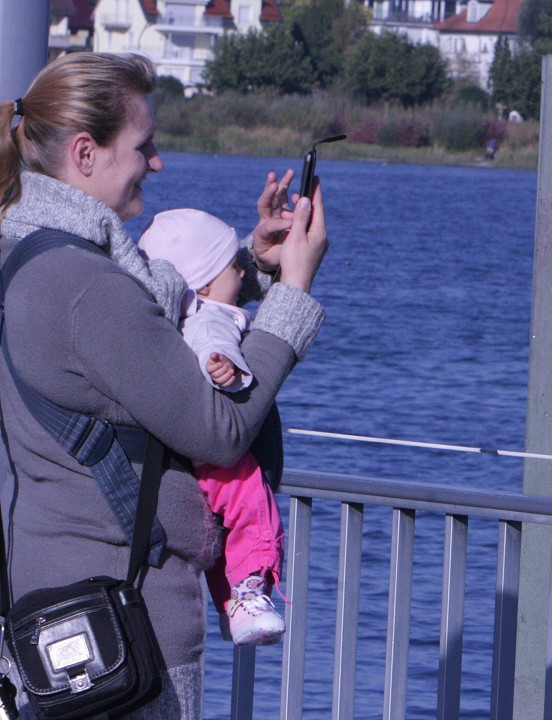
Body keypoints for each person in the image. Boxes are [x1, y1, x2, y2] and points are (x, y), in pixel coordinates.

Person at [0, 52, 327, 718]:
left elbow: (153, 327)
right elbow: (221, 428)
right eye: (143, 147)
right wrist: (293, 295)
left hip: (62, 608)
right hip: (124, 625)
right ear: (86, 153)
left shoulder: (31, 254)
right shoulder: (87, 286)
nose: (158, 163)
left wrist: (248, 272)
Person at [138, 208, 288, 647]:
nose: (243, 271)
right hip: (216, 451)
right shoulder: (211, 319)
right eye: (233, 267)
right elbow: (213, 343)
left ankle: (236, 607)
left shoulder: (186, 314)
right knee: (251, 508)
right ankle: (246, 595)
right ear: (202, 285)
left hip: (185, 449)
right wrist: (226, 368)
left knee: (228, 528)